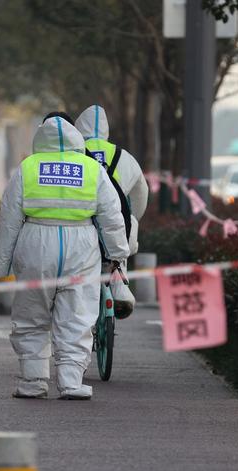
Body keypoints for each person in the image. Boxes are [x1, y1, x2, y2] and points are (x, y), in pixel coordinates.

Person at [0, 116, 129, 400]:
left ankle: (33, 381)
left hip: (36, 243)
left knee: (32, 314)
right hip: (82, 246)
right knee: (77, 315)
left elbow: (9, 218)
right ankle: (71, 382)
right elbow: (112, 217)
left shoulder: (28, 168)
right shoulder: (92, 170)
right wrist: (118, 254)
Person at [75, 105, 148, 319]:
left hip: (83, 226)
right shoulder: (124, 157)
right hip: (118, 227)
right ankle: (120, 288)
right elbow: (140, 194)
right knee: (120, 242)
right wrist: (134, 218)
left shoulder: (73, 154)